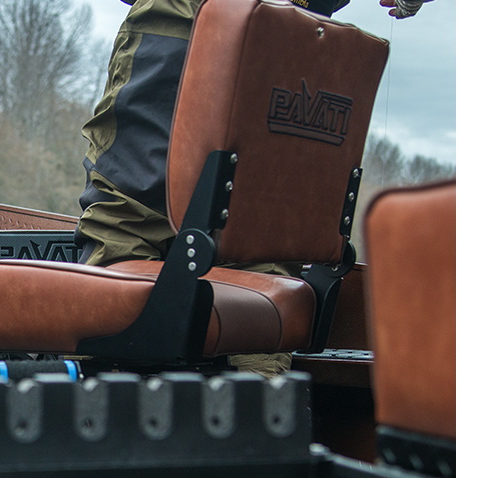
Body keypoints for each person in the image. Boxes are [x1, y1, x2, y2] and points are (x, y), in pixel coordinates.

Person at [74, 0, 426, 375]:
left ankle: (94, 392)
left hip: (190, 24)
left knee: (128, 220)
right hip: (294, 39)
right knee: (264, 251)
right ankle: (260, 400)